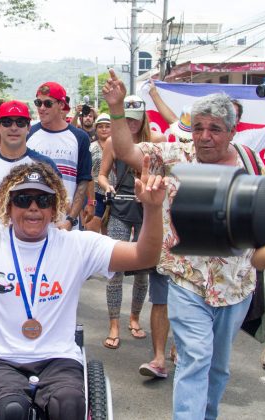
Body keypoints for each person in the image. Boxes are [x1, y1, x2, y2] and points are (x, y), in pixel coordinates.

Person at [0, 145, 165, 420]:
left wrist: (153, 210)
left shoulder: (77, 245)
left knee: (69, 407)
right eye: (23, 199)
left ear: (55, 206)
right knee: (11, 411)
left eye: (43, 200)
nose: (33, 207)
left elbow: (145, 255)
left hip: (58, 358)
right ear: (8, 204)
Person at [103, 69, 265, 419]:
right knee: (195, 358)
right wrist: (117, 110)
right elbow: (126, 150)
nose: (204, 137)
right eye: (198, 128)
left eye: (215, 130)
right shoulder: (176, 155)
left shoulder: (252, 163)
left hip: (236, 287)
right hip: (186, 280)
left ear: (232, 133)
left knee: (218, 367)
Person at [98, 96, 164, 350]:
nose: (132, 124)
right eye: (127, 119)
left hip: (147, 208)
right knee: (113, 268)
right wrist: (108, 187)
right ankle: (114, 322)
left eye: (136, 119)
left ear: (143, 117)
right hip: (121, 206)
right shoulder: (113, 142)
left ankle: (134, 318)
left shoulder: (156, 140)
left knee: (144, 269)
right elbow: (101, 175)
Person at [0, 100, 59, 224]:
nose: (14, 128)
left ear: (28, 128)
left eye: (20, 122)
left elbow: (59, 206)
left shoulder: (46, 165)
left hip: (35, 242)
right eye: (7, 122)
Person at [27, 81, 94, 230]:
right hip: (32, 221)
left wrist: (70, 220)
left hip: (64, 223)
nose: (42, 108)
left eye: (47, 104)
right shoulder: (28, 133)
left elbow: (83, 181)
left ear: (61, 105)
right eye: (38, 103)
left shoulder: (79, 137)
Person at [84, 113, 111, 233]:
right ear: (96, 129)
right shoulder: (90, 147)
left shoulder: (119, 148)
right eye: (101, 126)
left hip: (113, 194)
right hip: (95, 194)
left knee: (109, 237)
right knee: (91, 231)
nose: (104, 129)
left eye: (107, 126)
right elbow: (87, 171)